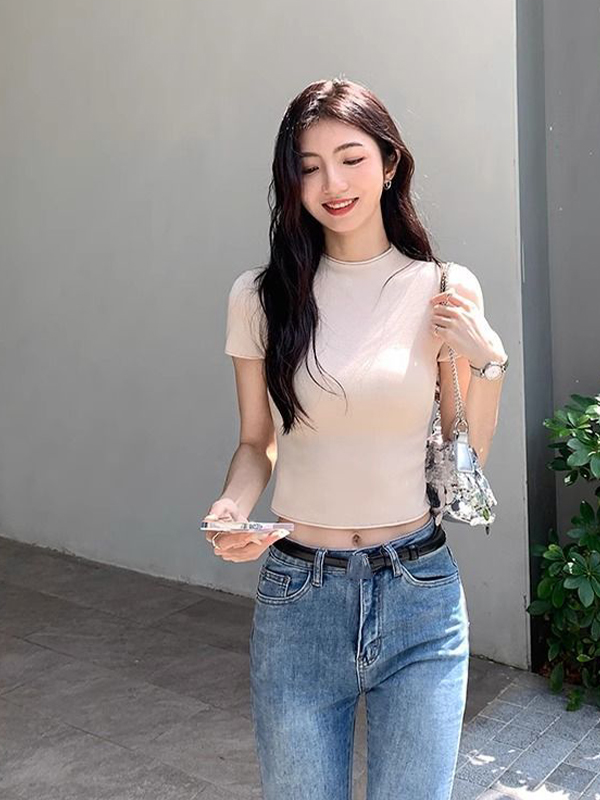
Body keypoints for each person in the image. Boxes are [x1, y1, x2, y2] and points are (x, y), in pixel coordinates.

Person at [204, 78, 508, 800]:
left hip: (419, 594)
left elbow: (465, 457)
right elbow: (256, 442)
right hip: (299, 597)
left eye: (350, 159)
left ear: (390, 163)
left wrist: (489, 361)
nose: (332, 184)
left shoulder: (443, 287)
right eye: (309, 167)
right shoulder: (262, 297)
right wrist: (230, 508)